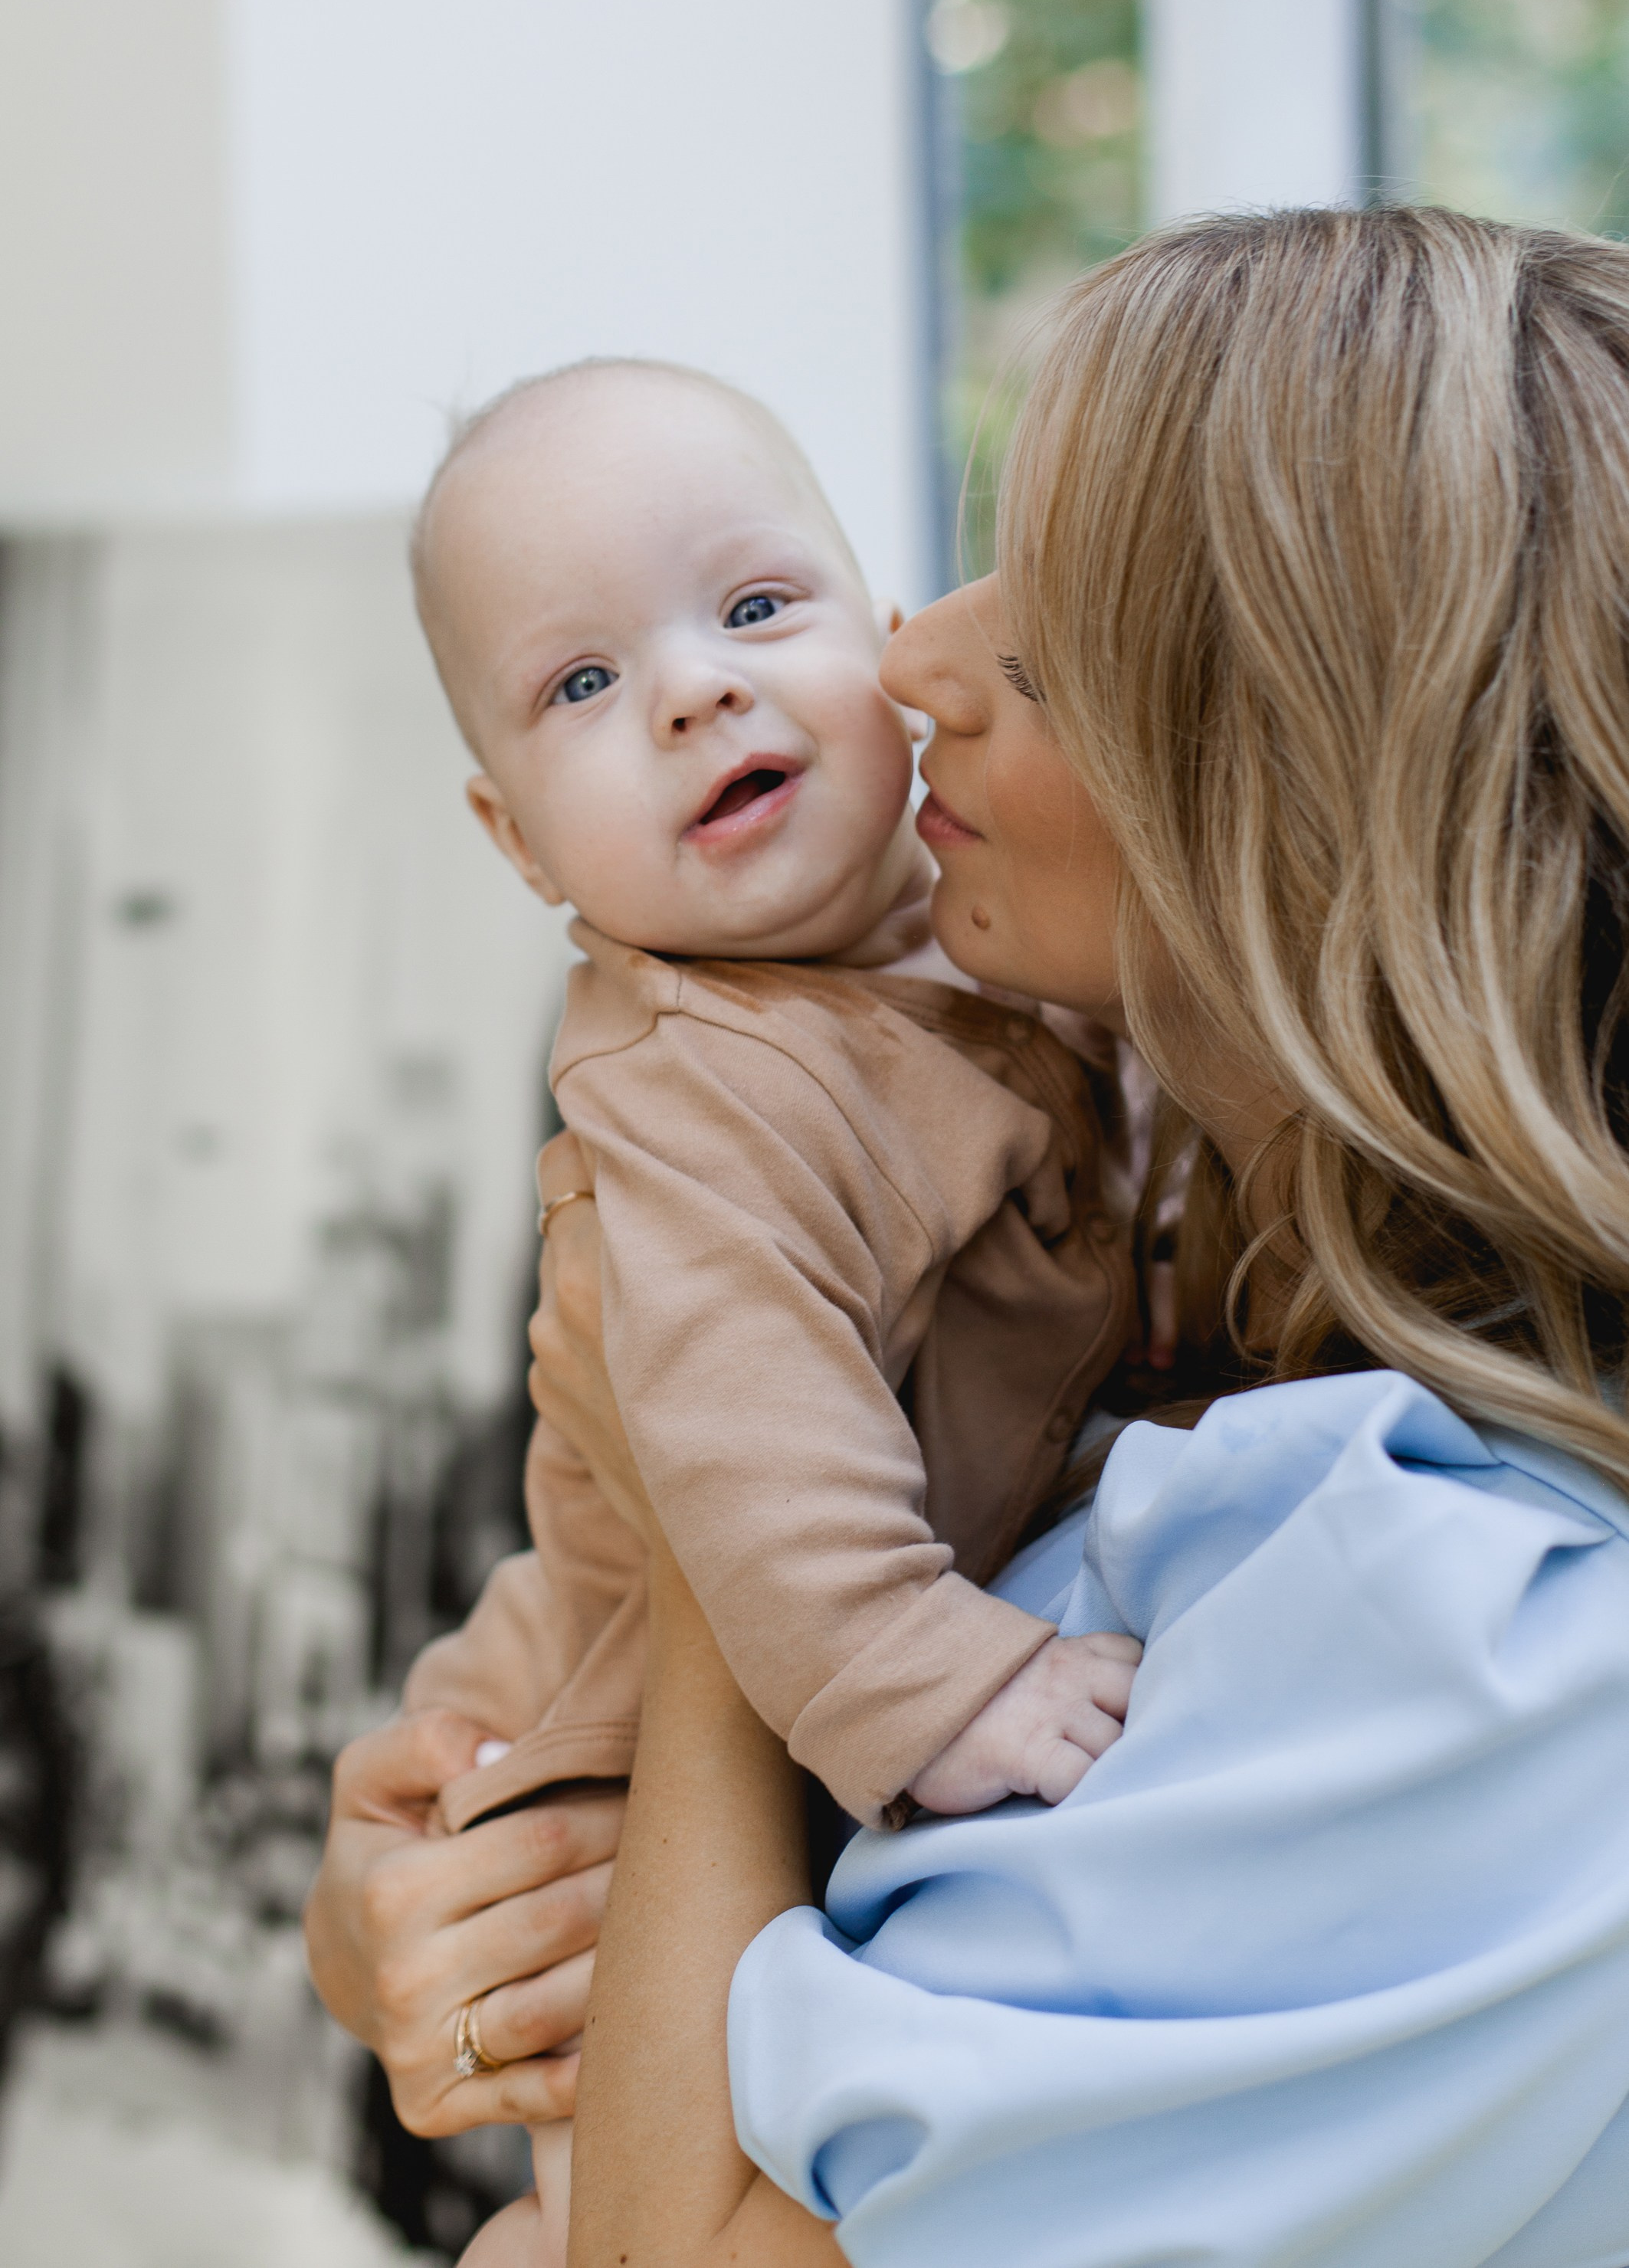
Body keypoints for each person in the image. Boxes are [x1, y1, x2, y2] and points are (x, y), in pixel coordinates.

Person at [308, 205, 1629, 2265]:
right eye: (579, 677)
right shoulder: (752, 1091)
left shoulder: (1469, 1614)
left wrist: (689, 1571)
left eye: (1048, 627)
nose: (905, 653)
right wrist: (420, 1879)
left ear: (1292, 789)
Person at [402, 356, 1139, 1846]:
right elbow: (755, 1435)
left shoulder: (982, 921)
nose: (694, 689)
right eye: (582, 683)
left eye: (753, 610)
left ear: (888, 654)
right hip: (637, 1732)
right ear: (519, 837)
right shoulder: (694, 1084)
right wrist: (928, 1675)